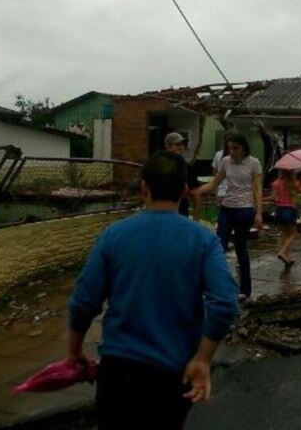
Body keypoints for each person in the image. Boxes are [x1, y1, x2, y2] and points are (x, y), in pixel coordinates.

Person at [66, 152, 238, 430]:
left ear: (143, 187)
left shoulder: (114, 235)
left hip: (117, 374)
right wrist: (202, 359)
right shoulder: (204, 240)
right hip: (172, 377)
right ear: (184, 190)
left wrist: (74, 352)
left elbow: (84, 301)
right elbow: (225, 303)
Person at [194, 134, 263, 302]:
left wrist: (259, 213)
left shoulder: (254, 163)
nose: (232, 152)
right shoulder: (225, 161)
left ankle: (245, 289)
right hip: (227, 207)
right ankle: (214, 285)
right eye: (229, 148)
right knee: (219, 246)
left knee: (240, 247)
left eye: (235, 148)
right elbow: (214, 183)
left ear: (243, 148)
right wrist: (199, 191)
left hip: (244, 209)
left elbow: (257, 189)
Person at [271, 168, 301, 266]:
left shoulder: (276, 183)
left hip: (279, 210)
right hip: (290, 210)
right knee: (293, 234)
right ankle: (282, 252)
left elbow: (273, 197)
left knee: (285, 233)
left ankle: (287, 257)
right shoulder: (294, 184)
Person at [164, 132, 201, 220]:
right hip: (162, 210)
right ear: (168, 146)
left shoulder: (186, 167)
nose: (181, 147)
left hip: (181, 212)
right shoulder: (160, 165)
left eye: (182, 145)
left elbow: (195, 192)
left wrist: (196, 217)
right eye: (177, 145)